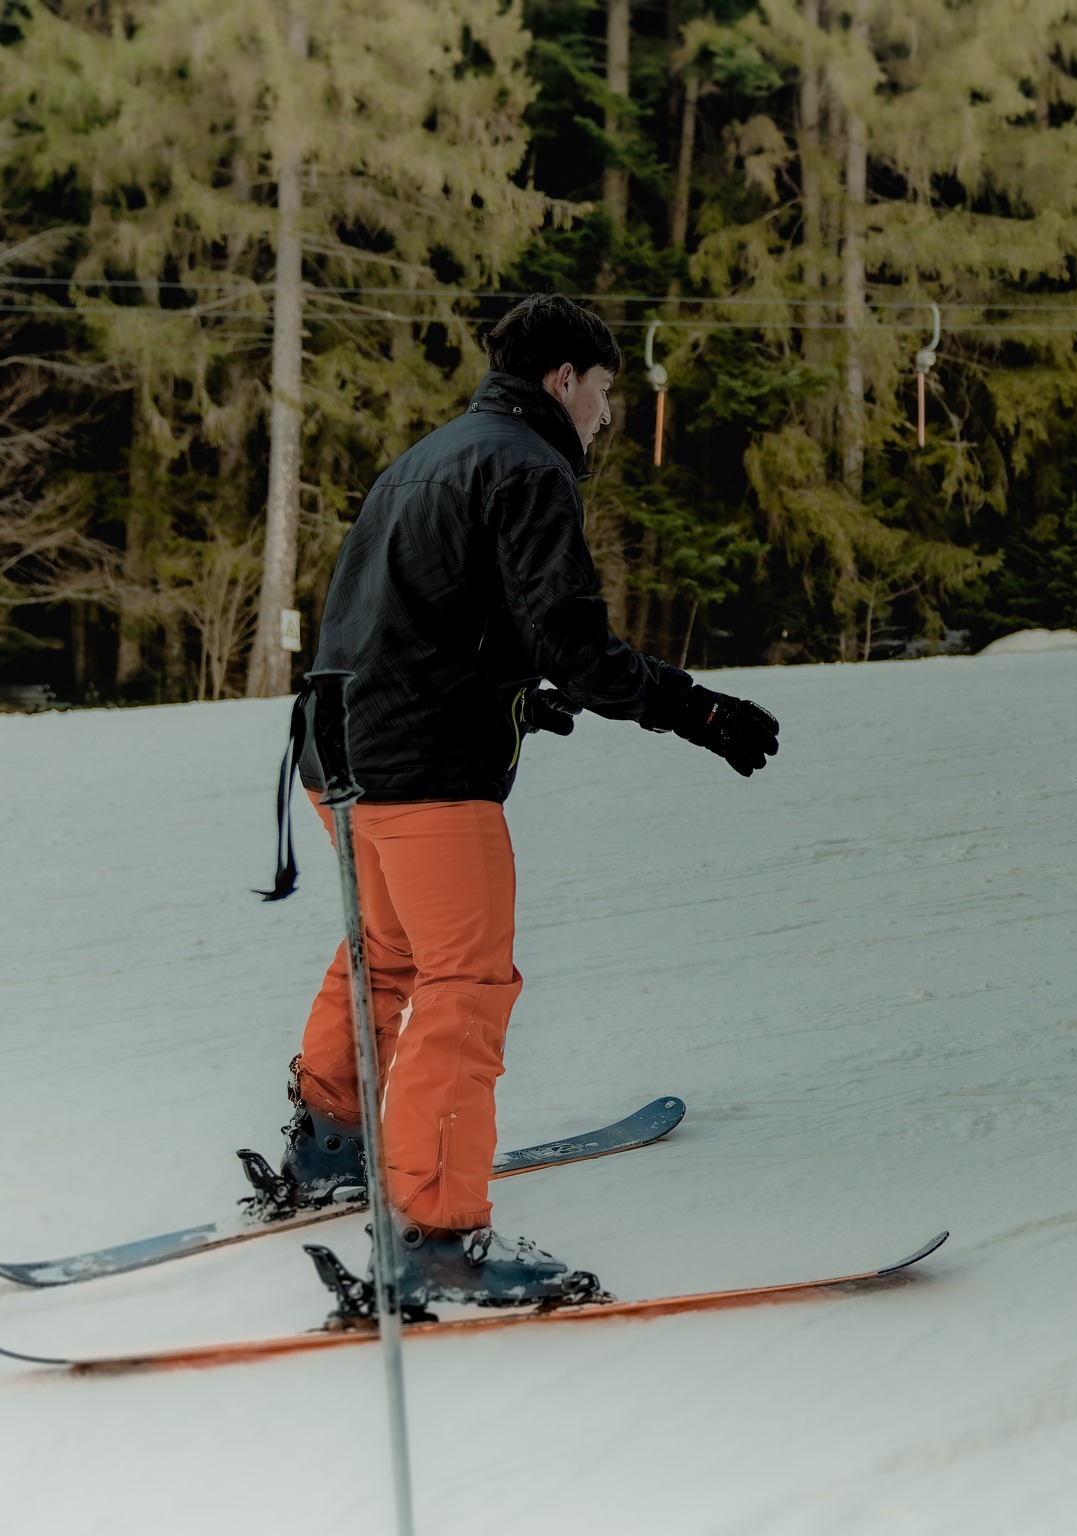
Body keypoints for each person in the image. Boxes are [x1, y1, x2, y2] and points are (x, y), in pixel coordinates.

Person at [251, 294, 780, 1309]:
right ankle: (438, 1235)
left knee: (385, 953)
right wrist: (695, 709)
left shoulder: (431, 456)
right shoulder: (530, 467)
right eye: (605, 392)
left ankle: (331, 1145)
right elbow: (575, 644)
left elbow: (407, 614)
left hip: (338, 757)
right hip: (425, 775)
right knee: (465, 983)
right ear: (562, 378)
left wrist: (505, 690)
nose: (607, 417)